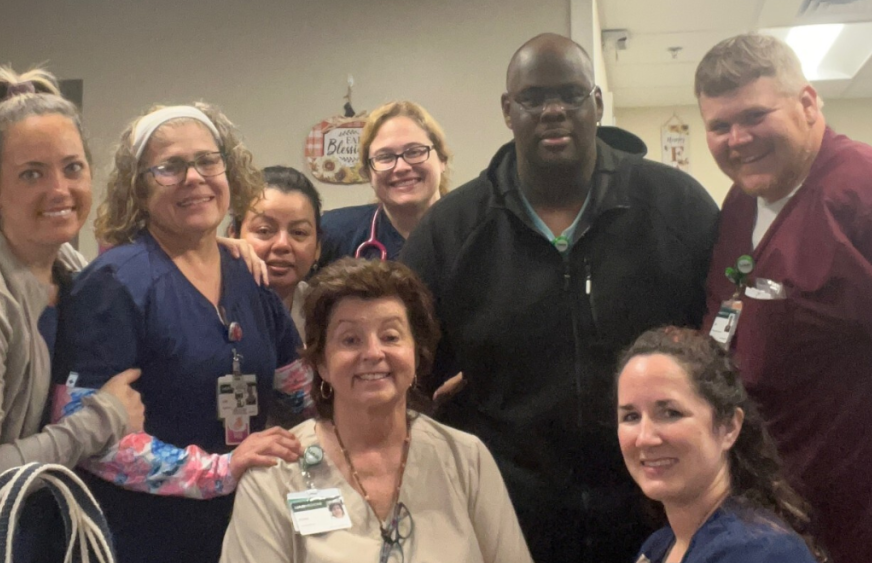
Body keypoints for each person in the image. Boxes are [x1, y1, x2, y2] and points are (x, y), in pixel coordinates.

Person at [399, 33, 718, 562]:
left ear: (596, 104)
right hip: (509, 513)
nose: (553, 111)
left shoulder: (675, 205)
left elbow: (724, 345)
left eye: (571, 95)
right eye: (533, 97)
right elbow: (404, 360)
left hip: (660, 509)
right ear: (508, 109)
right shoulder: (450, 230)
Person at [695, 33, 872, 563]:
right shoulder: (743, 199)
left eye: (755, 115)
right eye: (719, 125)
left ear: (807, 103)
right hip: (775, 515)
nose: (737, 139)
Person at [52, 102, 312, 563]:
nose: (194, 177)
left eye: (208, 160)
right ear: (139, 186)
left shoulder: (248, 275)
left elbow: (299, 393)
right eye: (169, 167)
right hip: (141, 538)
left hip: (244, 530)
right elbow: (85, 435)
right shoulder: (115, 283)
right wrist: (220, 470)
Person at [0, 66, 143, 563]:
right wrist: (103, 419)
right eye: (31, 173)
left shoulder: (64, 265)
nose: (60, 190)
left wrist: (215, 252)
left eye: (73, 168)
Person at [220, 259, 532, 563]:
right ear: (321, 363)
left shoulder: (466, 460)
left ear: (416, 354)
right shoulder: (274, 474)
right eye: (350, 339)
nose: (372, 353)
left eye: (391, 336)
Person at [617, 327, 824, 563]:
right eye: (631, 417)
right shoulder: (659, 546)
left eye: (670, 413)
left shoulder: (759, 552)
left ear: (729, 427)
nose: (644, 437)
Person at [317, 101, 451, 267]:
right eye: (385, 157)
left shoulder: (477, 231)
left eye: (415, 151)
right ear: (368, 173)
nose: (401, 167)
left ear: (442, 159)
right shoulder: (334, 233)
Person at [230, 165, 322, 340]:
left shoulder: (325, 313)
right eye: (264, 230)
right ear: (233, 236)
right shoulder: (208, 303)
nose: (282, 245)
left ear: (318, 247)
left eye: (299, 232)